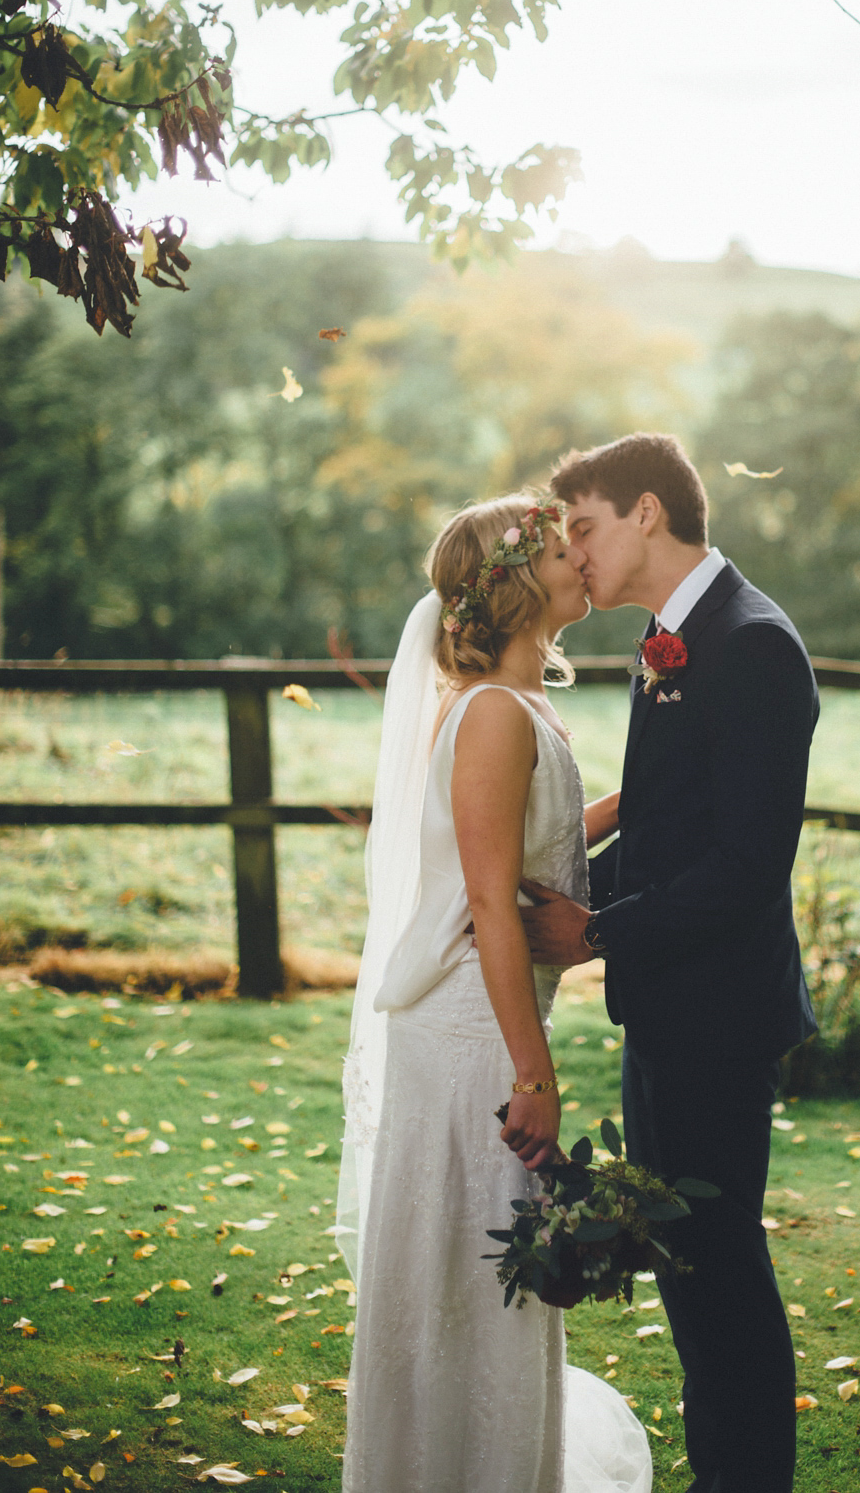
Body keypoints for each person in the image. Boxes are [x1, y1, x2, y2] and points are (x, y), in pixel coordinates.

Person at [518, 433, 819, 1493]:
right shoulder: (670, 640)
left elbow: (745, 865)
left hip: (722, 1017)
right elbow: (661, 822)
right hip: (668, 1008)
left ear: (649, 513)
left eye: (585, 528)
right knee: (688, 1265)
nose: (575, 554)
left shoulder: (753, 645)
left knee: (720, 1266)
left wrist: (594, 935)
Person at [338, 495, 652, 1493]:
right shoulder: (489, 715)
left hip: (495, 1018)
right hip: (474, 1036)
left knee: (489, 1282)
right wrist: (533, 1071)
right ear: (519, 585)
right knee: (467, 1274)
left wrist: (649, 788)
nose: (581, 560)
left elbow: (540, 846)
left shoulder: (523, 708)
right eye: (564, 550)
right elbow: (489, 900)